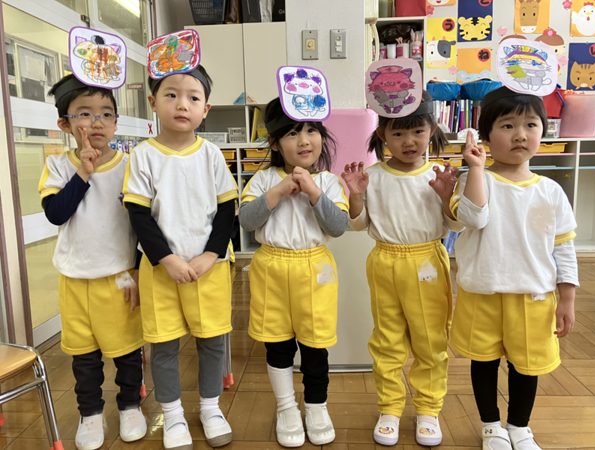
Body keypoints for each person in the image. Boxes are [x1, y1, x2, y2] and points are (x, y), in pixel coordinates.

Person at [123, 30, 237, 449]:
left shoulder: (211, 155)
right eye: (171, 95)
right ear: (153, 102)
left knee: (212, 342)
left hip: (210, 269)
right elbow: (138, 214)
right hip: (160, 271)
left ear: (205, 109)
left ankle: (210, 407)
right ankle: (172, 416)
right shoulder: (143, 155)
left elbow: (227, 209)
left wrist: (211, 253)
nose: (182, 104)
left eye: (192, 97)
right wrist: (166, 259)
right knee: (164, 345)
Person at [450, 86, 578, 450]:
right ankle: (491, 426)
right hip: (483, 292)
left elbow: (563, 247)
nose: (520, 134)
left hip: (534, 296)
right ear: (486, 136)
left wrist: (567, 299)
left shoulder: (550, 191)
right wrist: (475, 169)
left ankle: (520, 426)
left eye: (530, 124)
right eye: (507, 126)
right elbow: (473, 218)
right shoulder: (476, 180)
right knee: (484, 361)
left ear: (544, 131)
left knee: (527, 365)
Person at [343, 84, 463, 446]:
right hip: (385, 261)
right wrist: (356, 195)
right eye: (398, 133)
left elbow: (455, 225)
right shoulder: (373, 176)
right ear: (382, 134)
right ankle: (390, 408)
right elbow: (359, 225)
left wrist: (447, 197)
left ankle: (428, 409)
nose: (409, 141)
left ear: (432, 130)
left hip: (428, 262)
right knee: (387, 339)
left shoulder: (438, 175)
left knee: (430, 340)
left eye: (417, 131)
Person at [41, 72, 146, 450]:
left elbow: (144, 224)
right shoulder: (58, 165)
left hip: (120, 277)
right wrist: (84, 171)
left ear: (116, 122)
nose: (97, 122)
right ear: (65, 124)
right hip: (74, 279)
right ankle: (90, 413)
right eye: (84, 113)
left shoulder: (130, 165)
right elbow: (56, 213)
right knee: (84, 356)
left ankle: (130, 405)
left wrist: (139, 272)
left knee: (128, 350)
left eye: (106, 113)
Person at [239, 86, 348, 447]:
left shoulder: (329, 181)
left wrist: (314, 192)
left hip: (315, 271)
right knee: (278, 344)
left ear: (322, 136)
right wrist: (279, 190)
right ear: (274, 142)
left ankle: (316, 407)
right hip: (271, 267)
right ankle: (286, 407)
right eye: (291, 133)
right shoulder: (262, 179)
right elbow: (247, 221)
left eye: (311, 130)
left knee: (316, 346)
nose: (304, 140)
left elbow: (338, 226)